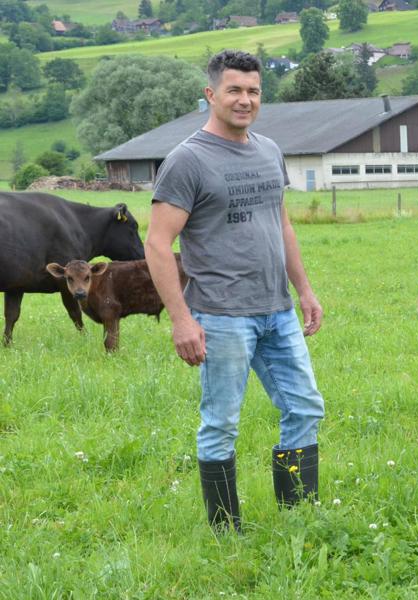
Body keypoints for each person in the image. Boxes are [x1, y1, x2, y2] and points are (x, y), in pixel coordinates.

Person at [145, 50, 325, 533]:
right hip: (221, 315)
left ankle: (297, 514)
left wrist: (304, 289)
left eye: (253, 92)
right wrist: (182, 319)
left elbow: (281, 224)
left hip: (277, 310)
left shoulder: (269, 150)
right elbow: (158, 244)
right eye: (234, 90)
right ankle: (226, 530)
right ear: (211, 94)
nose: (244, 100)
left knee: (305, 407)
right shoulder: (187, 161)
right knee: (221, 423)